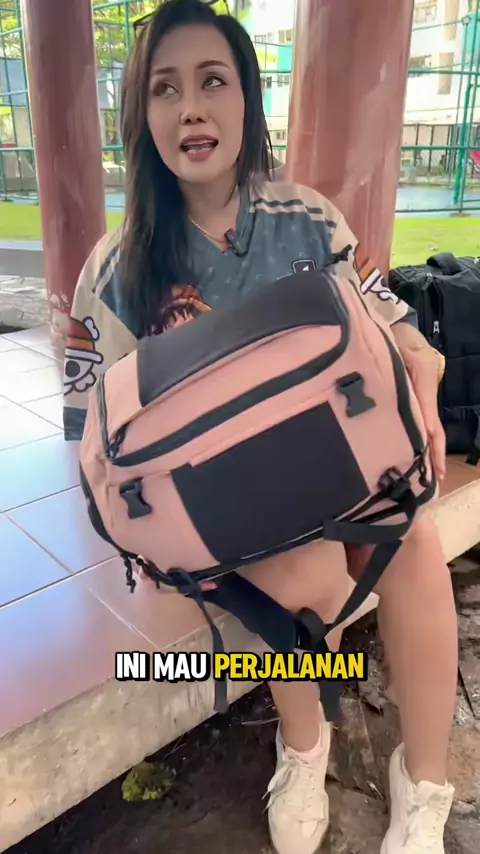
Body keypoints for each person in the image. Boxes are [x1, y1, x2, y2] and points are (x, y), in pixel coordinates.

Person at [62, 2, 458, 852]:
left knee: (416, 537)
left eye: (213, 81)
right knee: (302, 567)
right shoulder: (115, 270)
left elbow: (390, 324)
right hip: (218, 507)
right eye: (165, 89)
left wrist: (420, 375)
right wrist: (137, 525)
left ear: (246, 97)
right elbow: (91, 435)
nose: (192, 108)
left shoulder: (308, 220)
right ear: (141, 116)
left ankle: (424, 784)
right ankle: (305, 745)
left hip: (337, 461)